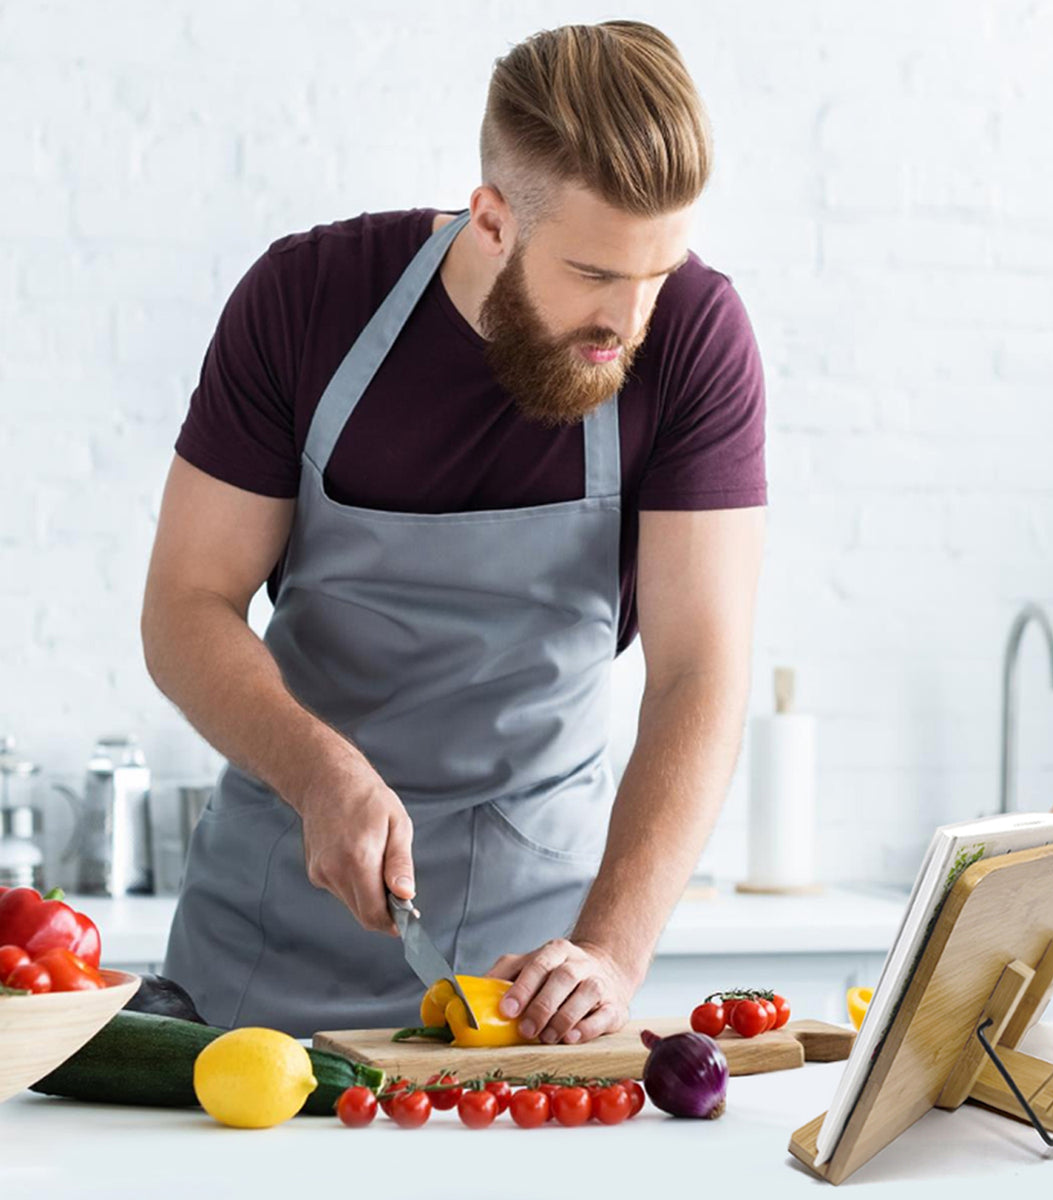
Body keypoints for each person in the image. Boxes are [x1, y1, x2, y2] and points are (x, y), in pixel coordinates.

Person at [144, 19, 766, 1042]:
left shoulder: (696, 336)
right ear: (490, 221)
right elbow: (184, 607)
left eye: (659, 272)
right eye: (595, 274)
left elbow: (699, 672)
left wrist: (611, 953)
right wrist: (320, 772)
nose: (631, 322)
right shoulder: (306, 301)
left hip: (522, 987)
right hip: (261, 951)